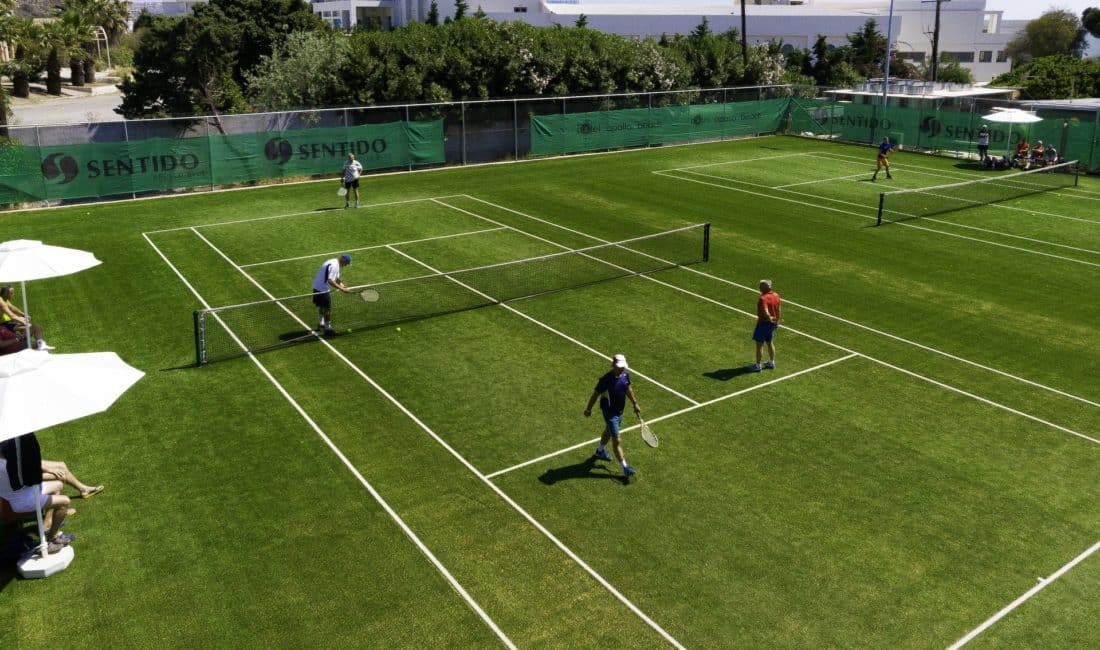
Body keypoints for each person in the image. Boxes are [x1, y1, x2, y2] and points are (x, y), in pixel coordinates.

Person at [0, 434, 74, 553]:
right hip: (22, 501)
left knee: (58, 485)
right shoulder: (7, 466)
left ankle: (46, 524)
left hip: (18, 495)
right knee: (65, 501)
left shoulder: (7, 463)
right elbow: (28, 479)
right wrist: (51, 472)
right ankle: (52, 538)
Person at [583, 354, 640, 479]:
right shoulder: (605, 379)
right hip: (610, 412)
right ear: (613, 364)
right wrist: (588, 409)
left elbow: (628, 389)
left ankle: (600, 450)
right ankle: (625, 467)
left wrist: (635, 403)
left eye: (622, 367)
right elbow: (595, 395)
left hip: (620, 411)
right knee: (617, 440)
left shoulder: (625, 375)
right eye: (619, 367)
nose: (621, 369)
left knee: (608, 431)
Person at [312, 253, 353, 335]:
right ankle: (328, 329)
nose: (345, 265)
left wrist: (343, 285)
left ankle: (321, 323)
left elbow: (336, 278)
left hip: (316, 287)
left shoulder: (334, 262)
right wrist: (342, 289)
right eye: (346, 263)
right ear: (343, 260)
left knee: (322, 306)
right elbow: (330, 281)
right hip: (322, 290)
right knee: (327, 309)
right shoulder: (335, 266)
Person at [0, 285, 52, 350]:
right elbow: (12, 316)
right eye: (11, 293)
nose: (13, 294)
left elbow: (12, 308)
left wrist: (24, 315)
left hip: (7, 322)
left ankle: (30, 343)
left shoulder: (4, 299)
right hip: (3, 325)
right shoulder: (1, 302)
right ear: (5, 293)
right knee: (29, 326)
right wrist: (24, 322)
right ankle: (24, 343)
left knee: (27, 323)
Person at [750, 279, 781, 372]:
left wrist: (769, 318)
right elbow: (779, 310)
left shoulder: (763, 298)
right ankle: (771, 362)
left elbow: (765, 310)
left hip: (763, 323)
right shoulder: (776, 295)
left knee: (759, 345)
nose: (759, 287)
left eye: (761, 286)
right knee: (770, 342)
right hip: (772, 324)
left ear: (767, 287)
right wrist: (776, 321)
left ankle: (758, 366)